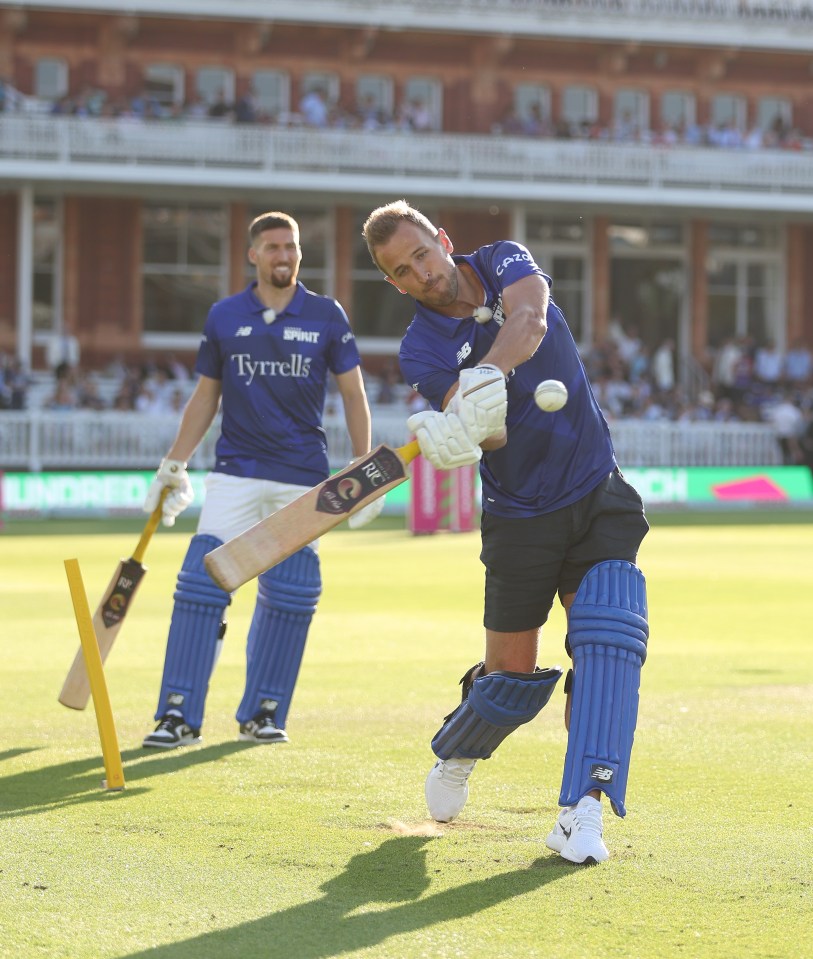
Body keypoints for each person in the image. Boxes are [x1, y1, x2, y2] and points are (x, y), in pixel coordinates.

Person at [362, 200, 650, 865]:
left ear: (442, 239)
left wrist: (482, 375)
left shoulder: (500, 259)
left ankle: (580, 809)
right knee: (510, 681)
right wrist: (461, 427)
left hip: (594, 488)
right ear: (393, 284)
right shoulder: (420, 348)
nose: (421, 274)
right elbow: (488, 433)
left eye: (422, 254)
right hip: (519, 516)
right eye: (402, 271)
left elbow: (531, 316)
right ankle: (458, 747)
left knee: (606, 643)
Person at [141, 211, 381, 750]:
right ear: (253, 254)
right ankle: (176, 715)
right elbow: (206, 395)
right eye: (273, 247)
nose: (284, 256)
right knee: (201, 587)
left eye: (291, 247)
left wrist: (363, 468)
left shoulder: (326, 314)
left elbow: (353, 393)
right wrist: (174, 464)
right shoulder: (225, 316)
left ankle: (263, 712)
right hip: (235, 473)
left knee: (292, 593)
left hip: (302, 480)